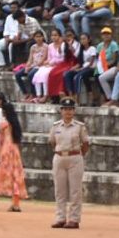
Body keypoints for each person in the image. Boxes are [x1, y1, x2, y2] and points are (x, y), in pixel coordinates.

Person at [49, 98, 89, 229]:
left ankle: (74, 218)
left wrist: (78, 155)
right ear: (61, 111)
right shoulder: (56, 126)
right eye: (65, 109)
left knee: (75, 190)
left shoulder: (79, 126)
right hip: (59, 157)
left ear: (74, 111)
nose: (68, 112)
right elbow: (52, 142)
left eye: (70, 109)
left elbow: (85, 144)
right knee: (59, 190)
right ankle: (60, 218)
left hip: (75, 157)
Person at [0, 91, 27, 211]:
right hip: (13, 147)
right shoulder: (10, 115)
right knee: (14, 175)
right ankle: (16, 203)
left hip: (2, 147)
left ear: (0, 102)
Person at [32, 28, 66, 102]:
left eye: (56, 35)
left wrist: (52, 62)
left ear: (60, 36)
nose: (54, 37)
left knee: (45, 74)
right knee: (39, 73)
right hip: (51, 64)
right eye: (52, 35)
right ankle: (38, 95)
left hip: (59, 65)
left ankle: (45, 95)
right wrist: (46, 62)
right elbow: (49, 58)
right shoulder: (50, 46)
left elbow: (63, 58)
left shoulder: (63, 45)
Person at [63, 33, 98, 104]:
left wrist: (80, 69)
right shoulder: (81, 50)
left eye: (84, 38)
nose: (82, 40)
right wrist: (70, 45)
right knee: (67, 74)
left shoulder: (92, 49)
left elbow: (91, 63)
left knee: (77, 77)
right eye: (81, 39)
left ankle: (77, 99)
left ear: (89, 39)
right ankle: (71, 96)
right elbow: (78, 59)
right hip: (83, 68)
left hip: (91, 69)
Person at [15, 31, 48, 101]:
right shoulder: (33, 47)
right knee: (17, 74)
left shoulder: (46, 47)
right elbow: (30, 59)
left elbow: (43, 60)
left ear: (43, 37)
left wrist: (31, 67)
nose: (38, 38)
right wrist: (27, 66)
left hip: (40, 66)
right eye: (36, 37)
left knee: (31, 75)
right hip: (32, 65)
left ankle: (33, 94)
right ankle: (25, 93)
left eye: (40, 36)